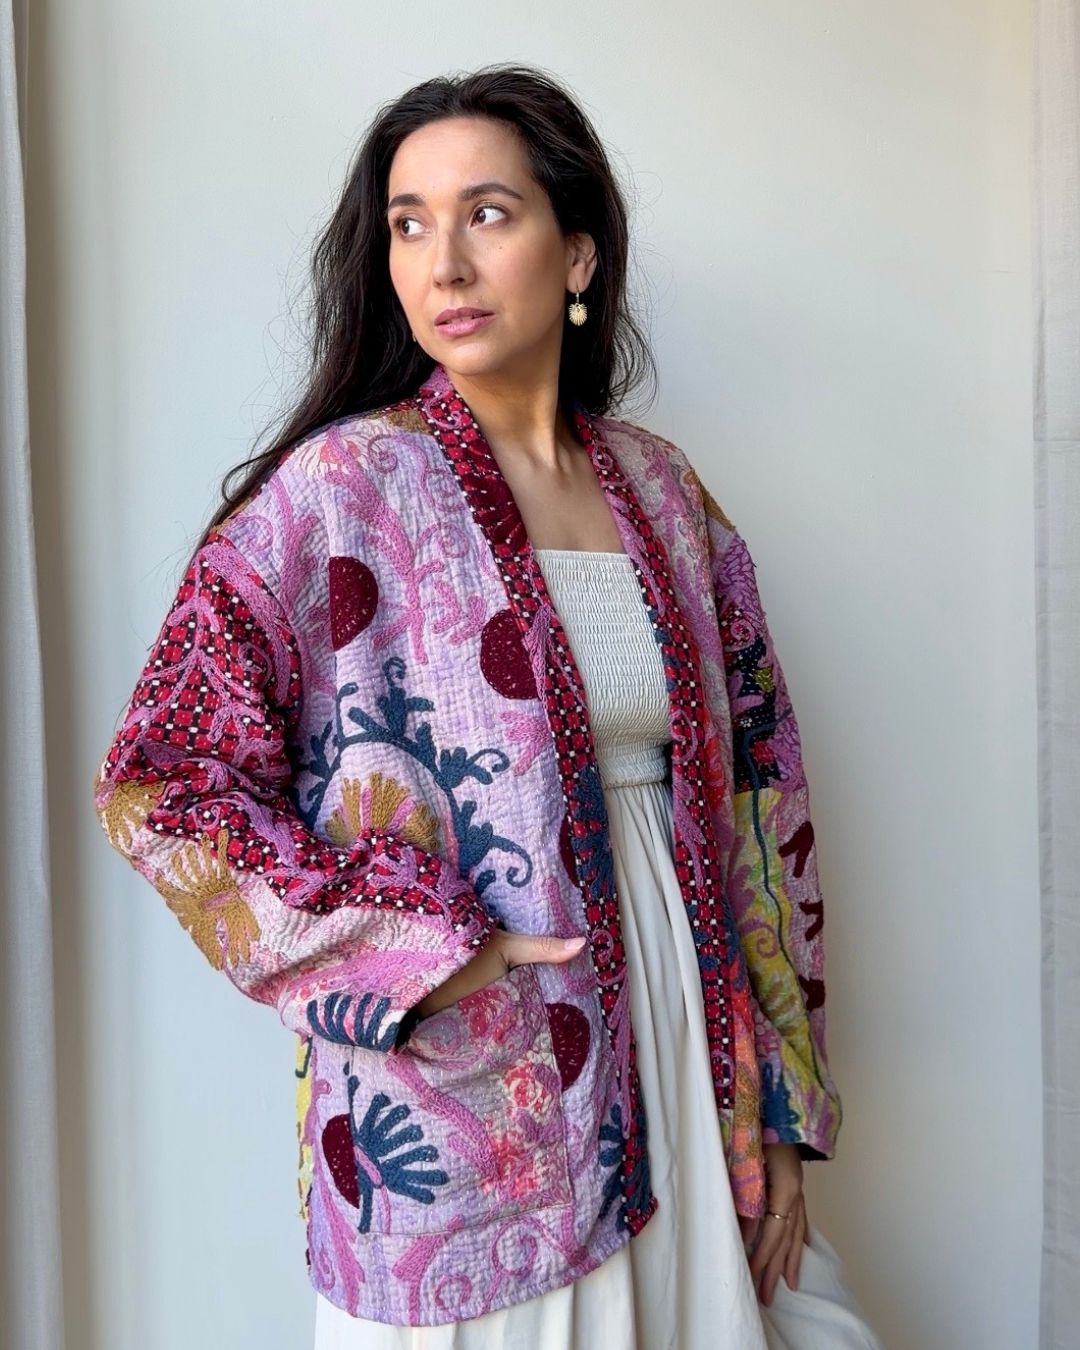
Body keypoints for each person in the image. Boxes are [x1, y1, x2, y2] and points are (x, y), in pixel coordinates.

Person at [93, 62, 885, 1349]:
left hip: (687, 1046)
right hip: (472, 1090)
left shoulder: (666, 494)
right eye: (409, 224)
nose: (444, 262)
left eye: (488, 214)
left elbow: (760, 798)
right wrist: (412, 947)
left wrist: (779, 1106)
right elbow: (163, 782)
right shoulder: (340, 492)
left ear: (577, 254)